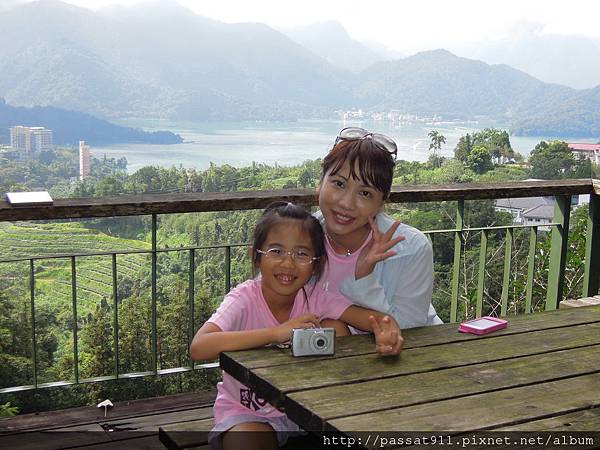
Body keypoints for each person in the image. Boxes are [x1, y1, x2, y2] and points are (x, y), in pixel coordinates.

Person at [190, 202, 402, 450]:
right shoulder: (244, 299)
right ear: (256, 256)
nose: (288, 264)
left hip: (310, 410)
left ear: (316, 264)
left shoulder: (316, 297)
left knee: (335, 327)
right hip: (249, 412)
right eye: (276, 251)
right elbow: (199, 347)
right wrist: (275, 333)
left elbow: (376, 320)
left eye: (301, 254)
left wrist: (387, 333)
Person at [315, 127, 443, 329]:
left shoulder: (411, 248)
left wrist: (364, 277)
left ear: (381, 203)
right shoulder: (296, 236)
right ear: (320, 183)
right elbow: (264, 298)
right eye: (339, 183)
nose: (346, 203)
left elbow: (410, 328)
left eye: (365, 193)